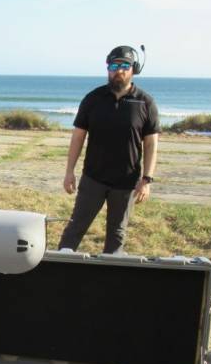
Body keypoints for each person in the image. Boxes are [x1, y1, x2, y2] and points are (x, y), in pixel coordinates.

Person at [58, 45, 160, 254]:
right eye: (114, 65)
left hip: (126, 183)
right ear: (108, 68)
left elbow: (151, 144)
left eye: (125, 66)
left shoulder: (145, 102)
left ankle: (111, 278)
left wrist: (146, 179)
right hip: (93, 178)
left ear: (134, 69)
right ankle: (59, 269)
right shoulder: (93, 99)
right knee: (75, 229)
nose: (119, 70)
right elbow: (78, 137)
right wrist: (70, 171)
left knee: (116, 235)